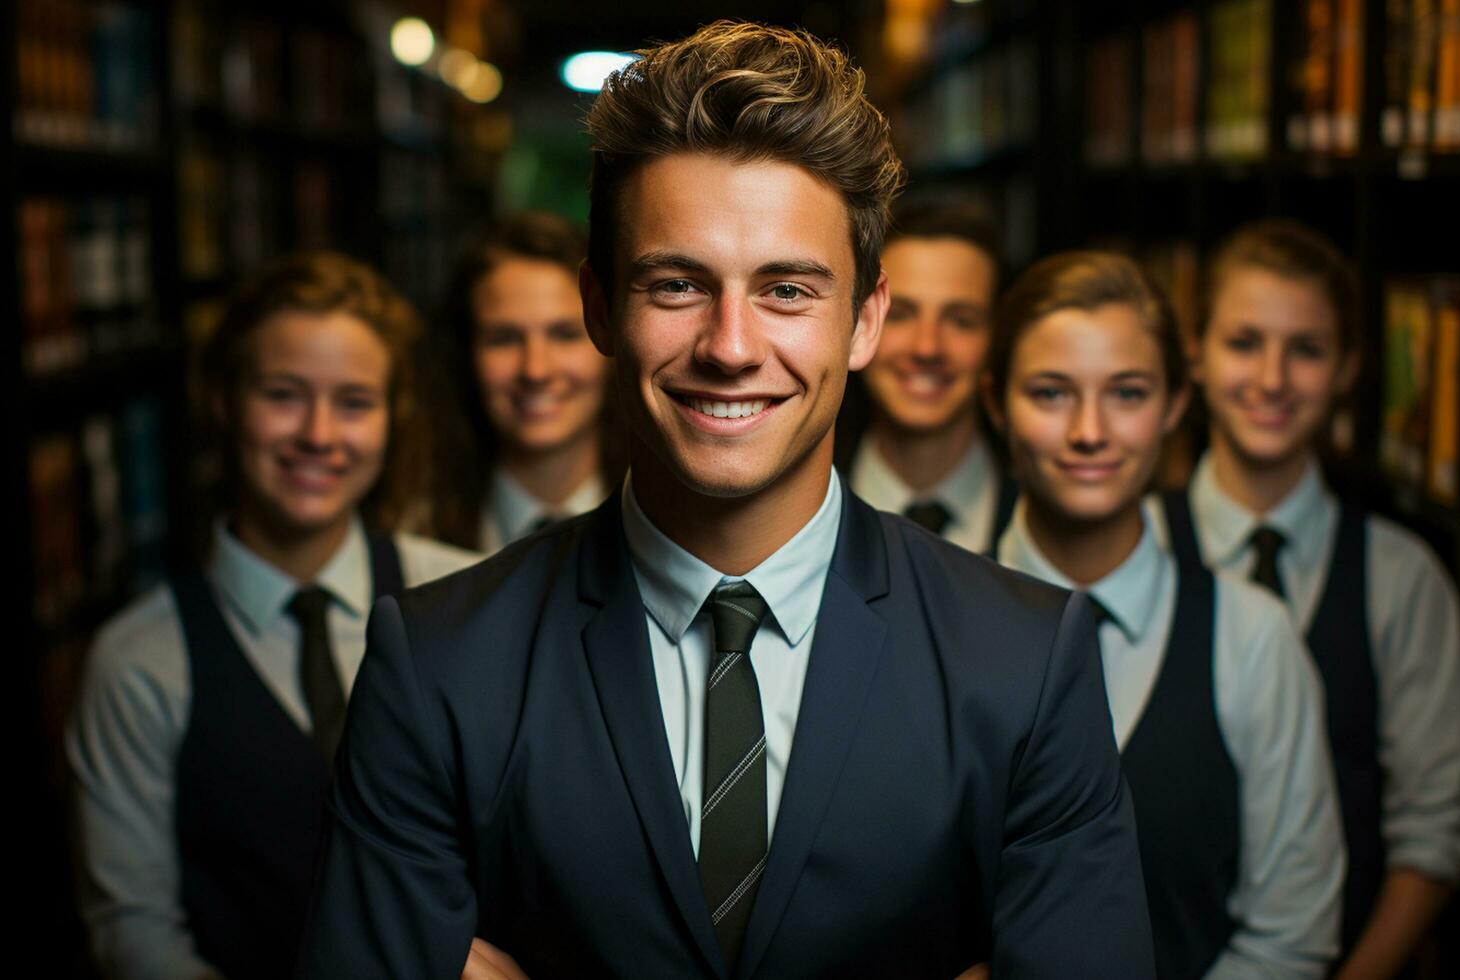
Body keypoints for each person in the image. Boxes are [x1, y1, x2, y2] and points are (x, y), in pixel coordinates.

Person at [298, 21, 1154, 980]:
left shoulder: (1027, 663)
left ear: (866, 317)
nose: (732, 346)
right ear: (598, 307)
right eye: (676, 284)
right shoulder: (438, 663)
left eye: (787, 289)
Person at [66, 252, 480, 980]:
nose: (319, 434)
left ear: (392, 417)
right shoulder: (139, 661)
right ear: (224, 400)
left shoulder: (465, 597)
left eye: (354, 401)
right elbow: (134, 938)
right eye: (283, 394)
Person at [985, 250, 1344, 978]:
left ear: (1177, 403)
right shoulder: (922, 619)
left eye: (1128, 393)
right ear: (996, 404)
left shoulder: (1252, 639)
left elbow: (1291, 934)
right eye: (1051, 393)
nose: (1090, 431)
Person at [1165, 219, 1460, 979]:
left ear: (1348, 369)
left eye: (1306, 349)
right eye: (1244, 343)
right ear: (1196, 353)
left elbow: (1431, 834)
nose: (1272, 378)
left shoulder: (1401, 577)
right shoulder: (1135, 548)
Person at [428, 212, 622, 552]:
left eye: (564, 334)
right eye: (504, 338)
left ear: (612, 340)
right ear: (465, 353)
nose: (535, 370)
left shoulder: (679, 526)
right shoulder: (413, 545)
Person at [845, 199, 1015, 551]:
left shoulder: (1044, 517)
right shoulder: (791, 514)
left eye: (961, 320)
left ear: (997, 339)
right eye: (901, 315)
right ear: (859, 323)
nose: (927, 348)